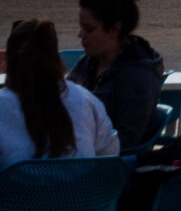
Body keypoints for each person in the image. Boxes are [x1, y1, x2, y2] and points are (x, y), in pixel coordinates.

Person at [0, 18, 118, 168]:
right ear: (56, 57)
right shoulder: (86, 100)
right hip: (82, 190)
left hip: (17, 191)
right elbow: (110, 153)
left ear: (8, 60)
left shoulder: (3, 104)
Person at [72, 0, 166, 150]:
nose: (81, 35)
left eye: (89, 29)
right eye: (81, 27)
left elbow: (127, 140)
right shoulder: (88, 62)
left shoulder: (138, 76)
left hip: (111, 166)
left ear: (114, 29)